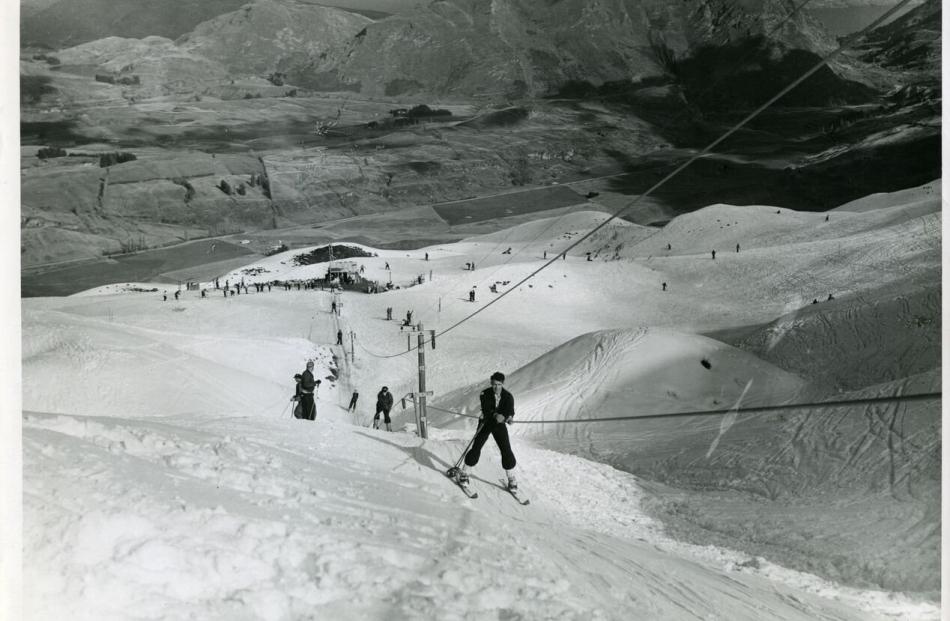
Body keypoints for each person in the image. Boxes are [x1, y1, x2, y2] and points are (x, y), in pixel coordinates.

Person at [457, 372, 518, 490]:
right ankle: (465, 473)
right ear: (491, 383)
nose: (496, 387)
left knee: (506, 449)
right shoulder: (484, 393)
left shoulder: (508, 396)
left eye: (499, 384)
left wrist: (509, 417)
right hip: (485, 423)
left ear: (503, 383)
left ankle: (511, 479)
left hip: (499, 425)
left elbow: (509, 410)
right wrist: (496, 415)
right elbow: (486, 408)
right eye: (494, 384)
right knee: (476, 447)